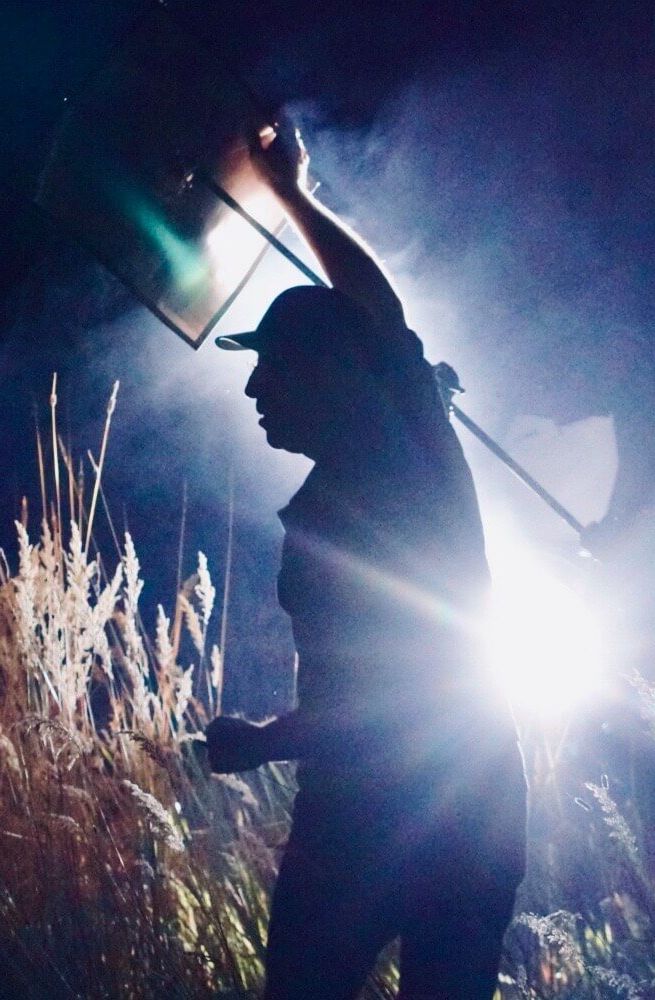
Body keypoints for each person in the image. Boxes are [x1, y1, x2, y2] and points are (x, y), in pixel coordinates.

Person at [204, 117, 527, 1000]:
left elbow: (378, 316)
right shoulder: (331, 501)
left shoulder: (413, 453)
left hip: (427, 810)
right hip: (418, 806)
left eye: (273, 365)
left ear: (330, 370)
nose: (254, 388)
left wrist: (291, 195)